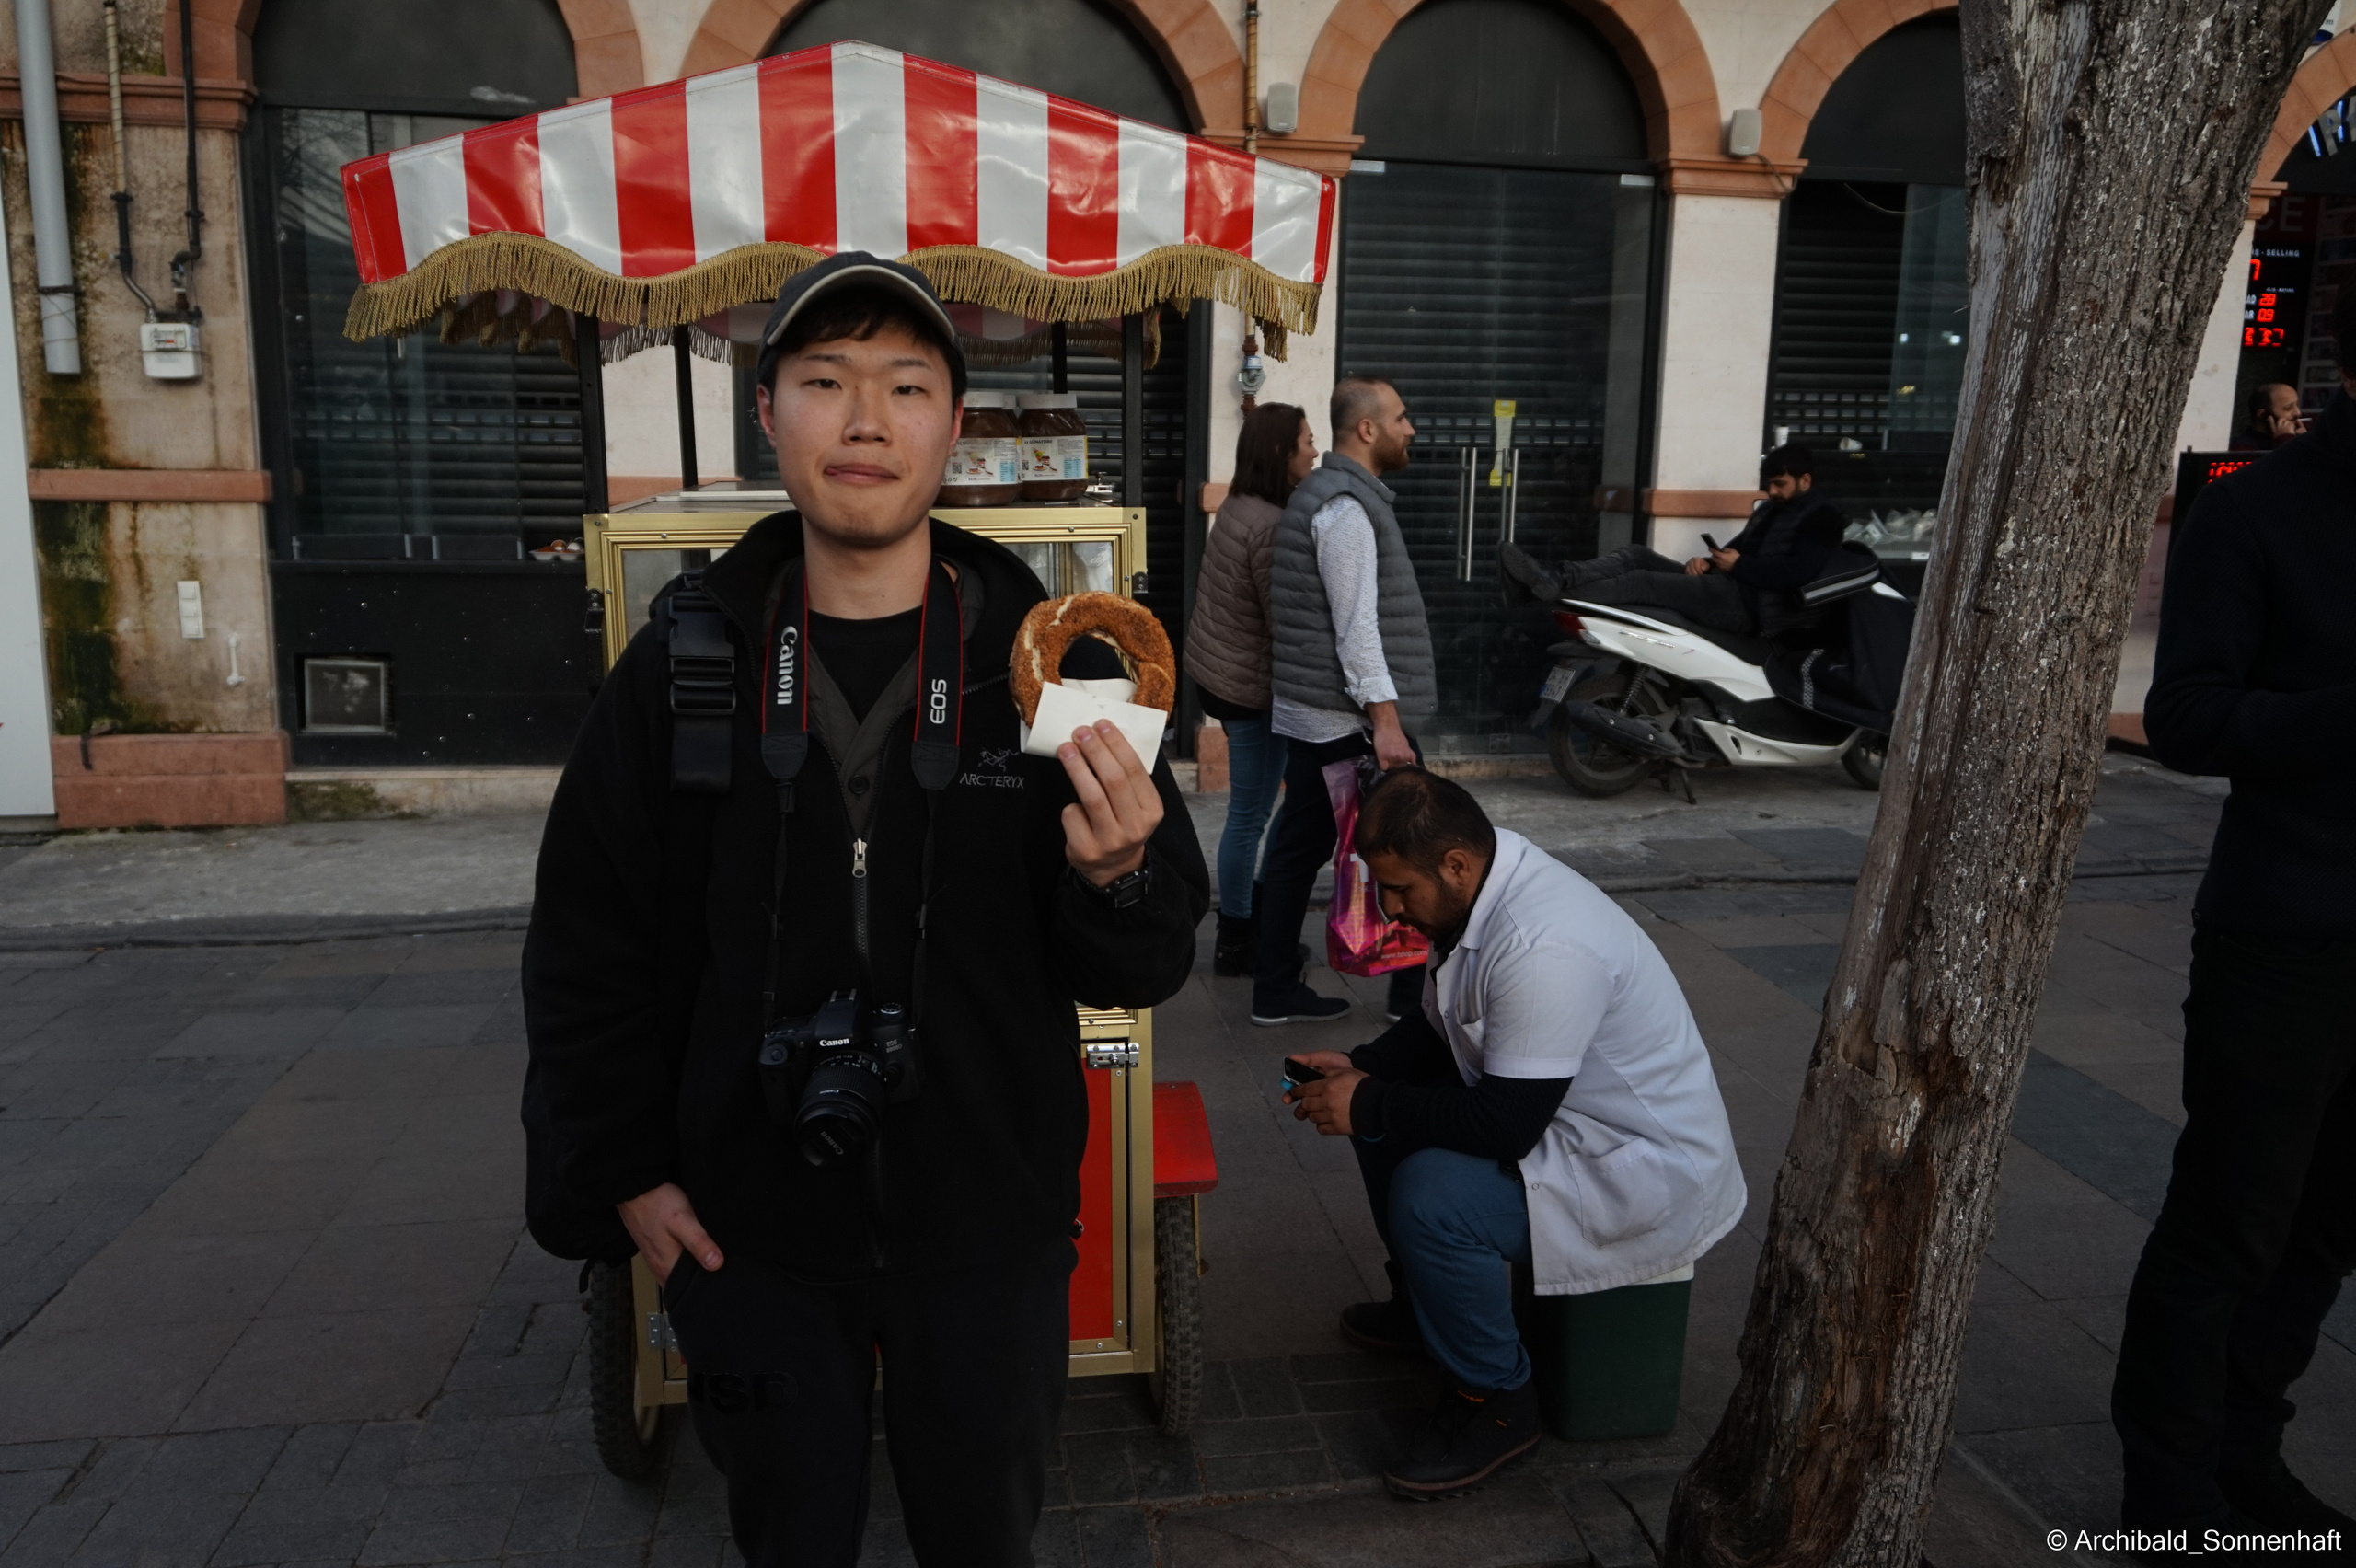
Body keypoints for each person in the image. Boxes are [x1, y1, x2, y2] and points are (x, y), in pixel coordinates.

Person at [521, 253, 1207, 1567]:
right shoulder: (681, 663)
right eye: (826, 383)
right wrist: (624, 1176)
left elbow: (1152, 952)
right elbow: (583, 950)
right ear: (768, 411)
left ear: (956, 427)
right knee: (782, 1527)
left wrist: (1119, 877)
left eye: (907, 385)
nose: (867, 421)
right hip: (743, 1236)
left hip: (988, 1231)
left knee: (984, 1529)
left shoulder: (1059, 665)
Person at [1282, 768, 1744, 1499]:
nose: (1391, 909)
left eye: (1400, 890)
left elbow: (1503, 1125)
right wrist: (1359, 1068)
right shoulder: (1479, 889)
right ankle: (1426, 1308)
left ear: (1456, 864)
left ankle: (1494, 1399)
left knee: (1431, 1196)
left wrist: (1369, 1100)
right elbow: (1439, 1030)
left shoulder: (1544, 946)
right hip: (1563, 1125)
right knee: (1378, 1114)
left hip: (1639, 1169)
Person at [2108, 292, 2356, 1541]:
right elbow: (2188, 720)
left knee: (2329, 1226)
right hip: (2287, 934)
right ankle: (2166, 1489)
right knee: (2232, 1220)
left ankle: (2249, 1458)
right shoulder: (2257, 510)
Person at [1251, 375, 1437, 1027]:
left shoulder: (1330, 497)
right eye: (1402, 417)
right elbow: (1357, 630)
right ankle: (1409, 1003)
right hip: (1347, 722)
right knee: (1410, 847)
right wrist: (1386, 724)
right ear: (1367, 429)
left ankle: (1274, 987)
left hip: (1321, 715)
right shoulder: (1345, 509)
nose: (1411, 429)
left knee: (1297, 847)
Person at [1184, 402, 1317, 975]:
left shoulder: (1242, 504)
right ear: (1280, 453)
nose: (1315, 450)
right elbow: (1284, 618)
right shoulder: (1270, 525)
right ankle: (1239, 937)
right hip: (1248, 688)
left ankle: (1251, 924)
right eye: (1307, 441)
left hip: (1222, 675)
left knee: (1254, 809)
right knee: (1249, 814)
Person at [1499, 444, 1845, 639]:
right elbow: (1739, 548)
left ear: (1805, 481)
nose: (1772, 491)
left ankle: (1541, 591)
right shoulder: (1771, 510)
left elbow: (1798, 572)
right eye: (1770, 484)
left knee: (1641, 583)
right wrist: (1708, 562)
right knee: (1634, 555)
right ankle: (1555, 577)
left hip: (1751, 607)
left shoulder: (1821, 517)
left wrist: (1739, 565)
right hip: (1726, 583)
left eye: (1780, 484)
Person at [2229, 381, 2304, 450]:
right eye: (2288, 408)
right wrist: (2286, 439)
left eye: (2297, 405)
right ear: (2262, 414)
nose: (2297, 412)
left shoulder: (2298, 437)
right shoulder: (2242, 447)